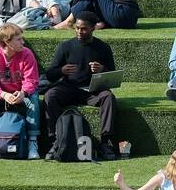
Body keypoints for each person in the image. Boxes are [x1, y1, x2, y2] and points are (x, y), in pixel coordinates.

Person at [45, 11, 120, 161]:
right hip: (69, 88)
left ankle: (105, 142)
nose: (79, 31)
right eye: (77, 28)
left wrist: (102, 70)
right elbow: (50, 74)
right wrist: (61, 70)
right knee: (50, 95)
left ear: (93, 28)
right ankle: (55, 141)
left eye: (84, 29)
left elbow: (113, 75)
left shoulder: (103, 48)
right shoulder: (65, 47)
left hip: (92, 91)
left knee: (108, 97)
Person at [0, 21, 42, 160]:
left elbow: (32, 81)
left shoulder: (27, 54)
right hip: (1, 95)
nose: (23, 42)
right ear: (7, 42)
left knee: (33, 99)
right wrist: (3, 94)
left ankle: (32, 143)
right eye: (19, 39)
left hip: (20, 94)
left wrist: (23, 93)